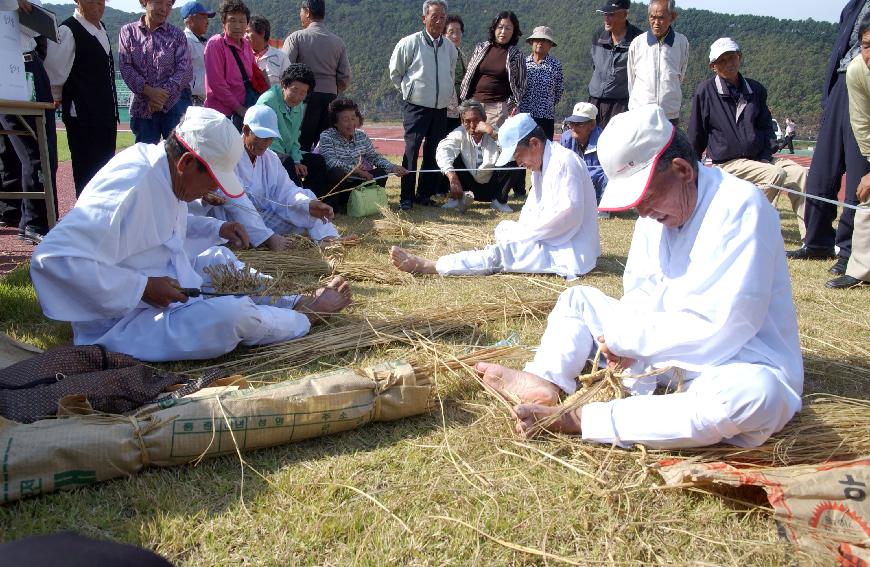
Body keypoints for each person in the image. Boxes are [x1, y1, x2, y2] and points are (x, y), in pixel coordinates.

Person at [476, 105, 803, 449]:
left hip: (731, 362)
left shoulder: (742, 207)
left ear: (681, 170)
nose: (642, 211)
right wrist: (625, 336)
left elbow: (726, 326)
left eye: (645, 197)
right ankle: (544, 380)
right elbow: (641, 289)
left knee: (753, 398)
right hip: (658, 346)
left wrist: (629, 339)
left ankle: (581, 419)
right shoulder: (655, 215)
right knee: (578, 299)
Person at [30, 107, 352, 363]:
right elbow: (52, 258)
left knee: (218, 258)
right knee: (231, 315)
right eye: (212, 180)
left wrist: (217, 228)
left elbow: (166, 233)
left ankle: (293, 301)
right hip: (121, 321)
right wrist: (141, 288)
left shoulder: (166, 171)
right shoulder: (131, 186)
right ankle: (305, 317)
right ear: (186, 162)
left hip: (162, 286)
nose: (213, 191)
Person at [390, 113, 599, 278]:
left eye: (517, 155)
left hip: (567, 249)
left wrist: (525, 236)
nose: (518, 163)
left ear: (534, 144)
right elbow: (533, 208)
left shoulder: (563, 162)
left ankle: (430, 265)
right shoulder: (545, 161)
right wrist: (520, 232)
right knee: (504, 228)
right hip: (550, 237)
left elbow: (569, 215)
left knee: (499, 255)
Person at [687, 38, 806, 241]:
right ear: (713, 66)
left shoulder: (756, 90)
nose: (729, 63)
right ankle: (746, 229)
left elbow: (766, 127)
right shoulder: (705, 91)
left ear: (740, 57)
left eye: (732, 57)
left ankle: (812, 240)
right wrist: (692, 168)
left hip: (759, 158)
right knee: (774, 174)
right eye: (722, 60)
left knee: (800, 174)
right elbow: (696, 132)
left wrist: (765, 155)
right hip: (727, 162)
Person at [787, 0, 870, 279]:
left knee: (859, 173)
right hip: (842, 83)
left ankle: (849, 252)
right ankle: (817, 240)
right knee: (822, 170)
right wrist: (830, 91)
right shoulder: (853, 6)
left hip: (865, 83)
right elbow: (841, 48)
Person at [196, 105, 342, 247]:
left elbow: (286, 190)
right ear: (246, 130)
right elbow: (237, 202)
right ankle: (269, 237)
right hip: (234, 217)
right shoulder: (228, 155)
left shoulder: (270, 158)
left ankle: (329, 239)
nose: (266, 143)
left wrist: (308, 203)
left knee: (309, 211)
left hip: (265, 214)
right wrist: (267, 237)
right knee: (253, 224)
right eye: (262, 137)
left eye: (270, 138)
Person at [44, 0, 118, 198]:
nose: (98, 6)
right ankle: (84, 220)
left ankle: (102, 219)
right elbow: (54, 72)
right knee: (87, 173)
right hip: (83, 115)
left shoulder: (101, 29)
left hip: (106, 115)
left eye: (101, 1)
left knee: (105, 172)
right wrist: (56, 98)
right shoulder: (68, 30)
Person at [389, 0, 457, 210]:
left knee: (434, 152)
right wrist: (409, 92)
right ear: (424, 18)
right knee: (411, 150)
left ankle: (424, 195)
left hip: (440, 109)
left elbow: (451, 74)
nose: (438, 21)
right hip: (416, 106)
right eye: (434, 16)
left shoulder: (450, 47)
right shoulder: (409, 43)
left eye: (442, 17)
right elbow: (396, 73)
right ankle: (406, 198)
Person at [0, 0, 58, 244]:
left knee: (37, 147)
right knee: (35, 150)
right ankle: (36, 221)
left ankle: (25, 215)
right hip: (11, 69)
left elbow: (39, 33)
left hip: (28, 64)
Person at [828, 15, 870, 289]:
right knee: (867, 199)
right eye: (867, 45)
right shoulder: (856, 71)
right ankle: (861, 270)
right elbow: (862, 125)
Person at [118, 0, 192, 144]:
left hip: (174, 106)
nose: (163, 9)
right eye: (159, 2)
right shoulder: (128, 32)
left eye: (169, 5)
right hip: (142, 107)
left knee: (177, 157)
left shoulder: (177, 35)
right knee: (145, 158)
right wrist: (149, 91)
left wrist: (161, 95)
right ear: (144, 2)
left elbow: (185, 70)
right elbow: (126, 67)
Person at [283, 0, 352, 152]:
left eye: (301, 11)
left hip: (304, 99)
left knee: (299, 145)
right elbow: (345, 76)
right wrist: (333, 90)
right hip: (330, 99)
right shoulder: (338, 42)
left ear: (307, 11)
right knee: (325, 148)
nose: (300, 15)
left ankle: (298, 175)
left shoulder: (297, 38)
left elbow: (285, 69)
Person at [318, 98, 408, 210]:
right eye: (346, 119)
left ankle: (370, 202)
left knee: (381, 171)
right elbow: (331, 162)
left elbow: (373, 157)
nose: (351, 123)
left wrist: (392, 167)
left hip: (357, 183)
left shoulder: (361, 135)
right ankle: (333, 205)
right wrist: (359, 172)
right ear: (335, 122)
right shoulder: (327, 136)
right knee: (336, 172)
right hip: (338, 184)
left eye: (353, 118)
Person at [435, 99, 523, 212]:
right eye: (467, 121)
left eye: (477, 120)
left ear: (484, 119)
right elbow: (443, 150)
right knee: (449, 156)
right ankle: (456, 198)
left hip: (493, 187)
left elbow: (515, 152)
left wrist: (492, 133)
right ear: (462, 121)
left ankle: (499, 201)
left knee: (511, 158)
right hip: (465, 187)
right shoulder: (459, 133)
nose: (472, 125)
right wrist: (452, 177)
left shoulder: (494, 131)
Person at [257, 63, 325, 191]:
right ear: (283, 84)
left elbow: (294, 136)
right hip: (265, 152)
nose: (298, 97)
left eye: (303, 93)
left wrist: (297, 160)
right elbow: (267, 140)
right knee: (286, 162)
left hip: (287, 153)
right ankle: (298, 204)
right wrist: (292, 161)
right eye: (294, 90)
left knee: (318, 162)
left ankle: (317, 201)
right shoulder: (267, 102)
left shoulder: (298, 104)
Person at [460, 10, 527, 128]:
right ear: (494, 28)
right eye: (500, 27)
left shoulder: (516, 55)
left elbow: (521, 84)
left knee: (493, 142)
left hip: (498, 107)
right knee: (471, 139)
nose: (503, 32)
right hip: (474, 104)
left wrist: (509, 105)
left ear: (514, 31)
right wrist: (465, 100)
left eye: (508, 28)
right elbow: (469, 75)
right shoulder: (481, 48)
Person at [627, 0, 689, 125]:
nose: (656, 23)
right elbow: (631, 79)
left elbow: (680, 75)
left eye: (661, 18)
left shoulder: (681, 43)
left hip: (669, 114)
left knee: (669, 145)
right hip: (641, 113)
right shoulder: (638, 43)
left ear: (672, 16)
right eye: (652, 17)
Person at [588, 0, 642, 129]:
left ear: (625, 14)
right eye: (605, 14)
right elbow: (594, 66)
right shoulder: (598, 36)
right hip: (595, 101)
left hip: (621, 104)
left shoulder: (638, 40)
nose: (606, 18)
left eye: (611, 14)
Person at [203, 0, 254, 130]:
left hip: (244, 109)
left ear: (247, 24)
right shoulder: (215, 44)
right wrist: (238, 108)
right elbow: (217, 84)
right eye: (232, 20)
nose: (237, 26)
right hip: (222, 114)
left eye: (242, 21)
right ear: (223, 23)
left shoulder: (246, 44)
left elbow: (253, 73)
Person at [517, 26, 564, 141]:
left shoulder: (555, 65)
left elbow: (558, 91)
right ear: (532, 42)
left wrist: (546, 105)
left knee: (544, 151)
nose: (540, 43)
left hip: (545, 117)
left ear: (550, 45)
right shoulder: (522, 63)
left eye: (544, 40)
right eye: (537, 40)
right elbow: (516, 88)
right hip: (524, 116)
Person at [559, 102, 607, 207]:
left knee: (606, 176)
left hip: (595, 185)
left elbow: (604, 172)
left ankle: (604, 206)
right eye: (571, 123)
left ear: (592, 125)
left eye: (579, 124)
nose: (573, 127)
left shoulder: (604, 140)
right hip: (574, 184)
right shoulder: (565, 138)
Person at [181, 1, 214, 107]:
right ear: (190, 19)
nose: (207, 22)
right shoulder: (185, 40)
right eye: (203, 17)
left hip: (204, 99)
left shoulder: (202, 41)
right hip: (192, 100)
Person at [248, 15, 290, 87]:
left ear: (262, 33)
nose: (244, 36)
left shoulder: (280, 57)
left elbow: (289, 83)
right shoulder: (242, 56)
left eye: (248, 32)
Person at [444, 14, 468, 134]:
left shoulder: (462, 55)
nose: (455, 36)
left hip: (459, 110)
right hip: (444, 110)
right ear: (444, 34)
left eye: (458, 32)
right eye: (451, 32)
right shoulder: (440, 55)